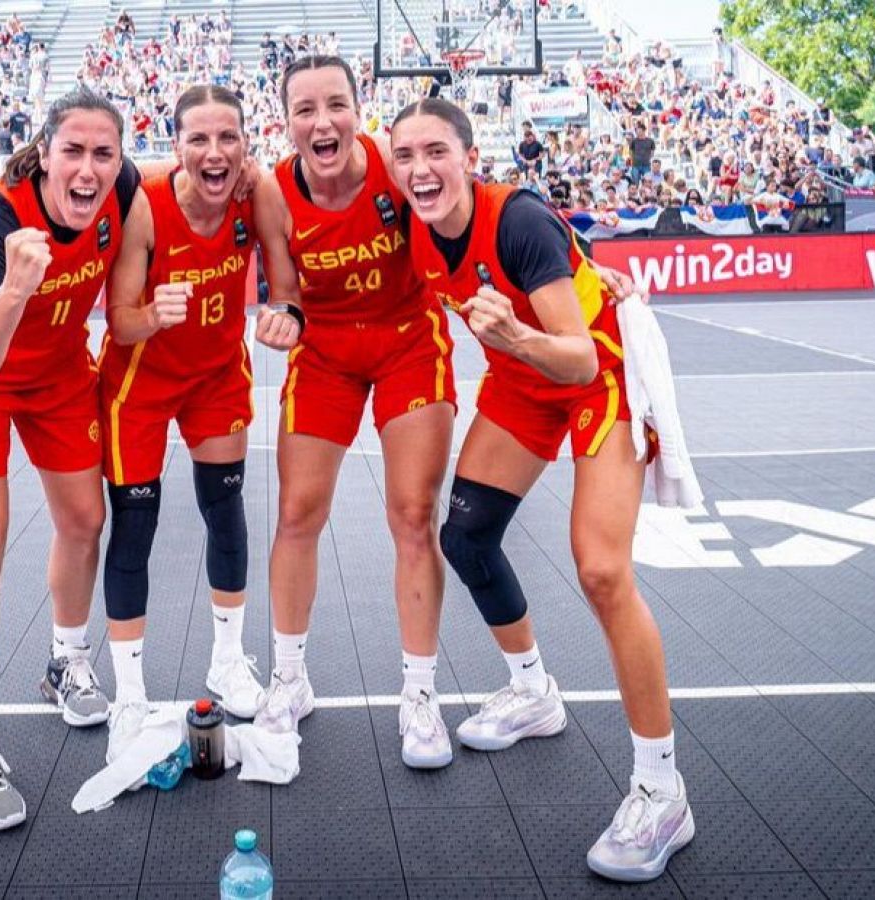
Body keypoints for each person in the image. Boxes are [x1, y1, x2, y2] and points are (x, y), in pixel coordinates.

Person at [390, 98, 692, 883]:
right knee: (465, 535)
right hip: (522, 379)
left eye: (436, 152)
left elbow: (579, 359)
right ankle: (533, 692)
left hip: (592, 375)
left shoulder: (513, 221)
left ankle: (662, 790)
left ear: (468, 157)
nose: (421, 170)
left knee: (601, 570)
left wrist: (514, 335)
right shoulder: (415, 225)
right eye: (405, 157)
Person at [0, 86, 141, 832]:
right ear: (45, 153)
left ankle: (65, 661)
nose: (88, 167)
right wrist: (16, 286)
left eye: (102, 153)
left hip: (57, 370)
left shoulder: (125, 191)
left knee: (85, 518)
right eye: (72, 150)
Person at [257, 55, 459, 769]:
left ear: (358, 107)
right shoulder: (274, 191)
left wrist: (581, 267)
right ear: (284, 121)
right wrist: (281, 316)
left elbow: (478, 217)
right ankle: (288, 679)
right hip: (327, 353)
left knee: (412, 516)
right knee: (296, 514)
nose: (322, 122)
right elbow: (286, 291)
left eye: (336, 104)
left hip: (408, 340)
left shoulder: (398, 168)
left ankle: (420, 694)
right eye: (304, 109)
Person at [95, 85, 301, 756]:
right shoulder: (148, 206)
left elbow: (285, 282)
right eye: (200, 140)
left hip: (215, 374)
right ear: (176, 145)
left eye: (228, 138)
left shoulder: (254, 191)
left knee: (226, 509)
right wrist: (153, 315)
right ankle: (130, 694)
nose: (215, 153)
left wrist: (284, 315)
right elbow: (118, 320)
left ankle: (228, 658)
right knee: (136, 522)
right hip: (141, 382)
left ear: (246, 144)